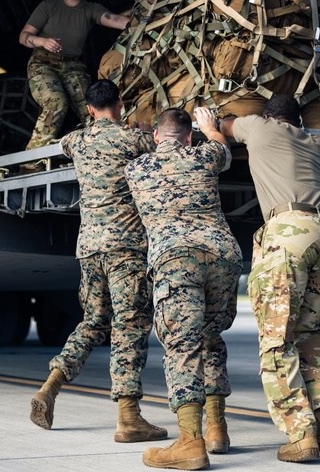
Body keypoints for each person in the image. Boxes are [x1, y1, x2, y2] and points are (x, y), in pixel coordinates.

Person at [29, 79, 168, 445]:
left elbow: (64, 142)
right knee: (129, 327)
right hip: (126, 249)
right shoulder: (134, 141)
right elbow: (160, 143)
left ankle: (50, 387)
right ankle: (129, 418)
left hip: (89, 248)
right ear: (120, 103)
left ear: (90, 110)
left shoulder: (77, 141)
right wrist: (140, 128)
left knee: (92, 322)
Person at [219, 94, 320, 463]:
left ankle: (301, 433)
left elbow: (227, 126)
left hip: (290, 231)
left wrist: (215, 121)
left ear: (269, 115)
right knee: (311, 331)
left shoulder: (259, 126)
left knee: (276, 341)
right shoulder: (312, 144)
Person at [125, 107, 242, 471]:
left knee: (182, 346)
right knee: (211, 339)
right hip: (222, 256)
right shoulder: (206, 154)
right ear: (189, 136)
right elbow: (223, 148)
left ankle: (190, 443)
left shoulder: (136, 168)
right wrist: (210, 127)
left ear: (157, 137)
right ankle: (217, 430)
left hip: (176, 260)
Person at [18, 0, 131, 149]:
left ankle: (99, 150)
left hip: (72, 65)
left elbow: (115, 19)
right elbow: (23, 36)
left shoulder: (90, 9)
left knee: (93, 107)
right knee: (56, 103)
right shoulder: (49, 6)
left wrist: (140, 23)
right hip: (43, 62)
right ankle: (32, 161)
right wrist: (42, 41)